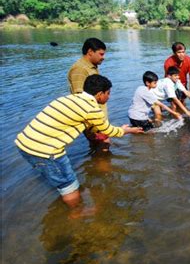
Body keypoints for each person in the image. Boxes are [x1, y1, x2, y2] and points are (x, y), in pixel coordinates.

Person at [15, 75, 143, 215]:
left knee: (61, 179)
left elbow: (91, 126)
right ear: (100, 94)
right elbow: (108, 130)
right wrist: (127, 130)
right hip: (45, 150)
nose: (109, 97)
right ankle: (78, 213)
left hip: (25, 143)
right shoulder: (92, 109)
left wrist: (119, 129)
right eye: (108, 93)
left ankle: (71, 201)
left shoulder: (70, 98)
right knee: (68, 184)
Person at [67, 38, 111, 151]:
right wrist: (92, 126)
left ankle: (95, 165)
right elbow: (79, 97)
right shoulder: (80, 69)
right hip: (92, 119)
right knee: (104, 144)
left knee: (98, 146)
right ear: (90, 52)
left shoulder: (91, 67)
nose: (103, 57)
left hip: (97, 116)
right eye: (101, 54)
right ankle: (103, 167)